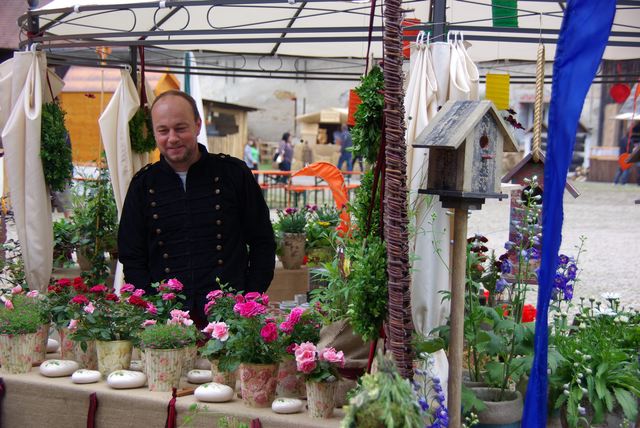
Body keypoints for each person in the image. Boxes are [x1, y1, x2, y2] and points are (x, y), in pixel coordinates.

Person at [118, 90, 276, 328]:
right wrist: (153, 307)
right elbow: (131, 256)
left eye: (180, 128)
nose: (172, 138)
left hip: (230, 317)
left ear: (198, 125)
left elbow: (262, 241)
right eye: (163, 130)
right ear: (154, 133)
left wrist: (248, 299)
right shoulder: (143, 185)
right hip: (167, 323)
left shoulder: (233, 174)